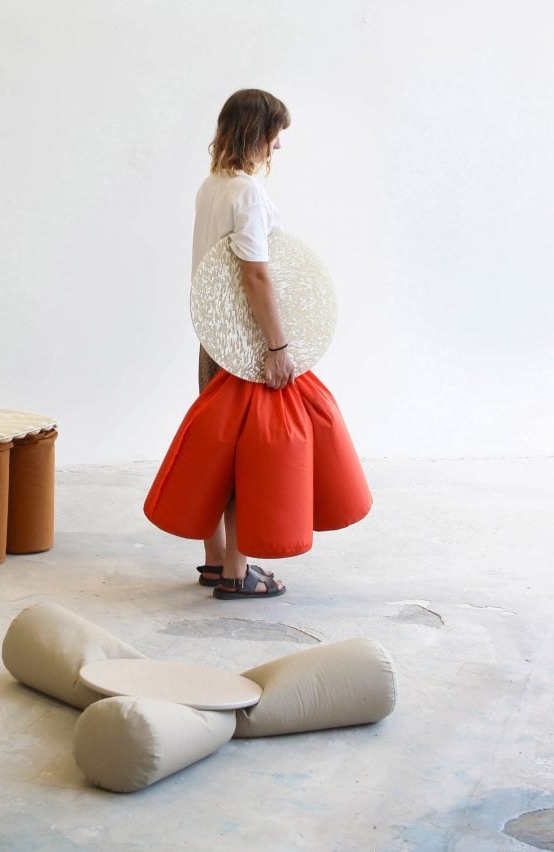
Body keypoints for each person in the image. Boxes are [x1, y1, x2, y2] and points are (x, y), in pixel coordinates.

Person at [144, 88, 372, 600]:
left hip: (213, 339)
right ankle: (237, 572)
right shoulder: (247, 193)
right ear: (256, 133)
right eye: (276, 134)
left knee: (215, 449)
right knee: (249, 456)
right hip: (247, 347)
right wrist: (276, 347)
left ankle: (216, 560)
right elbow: (256, 276)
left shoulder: (211, 187)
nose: (278, 146)